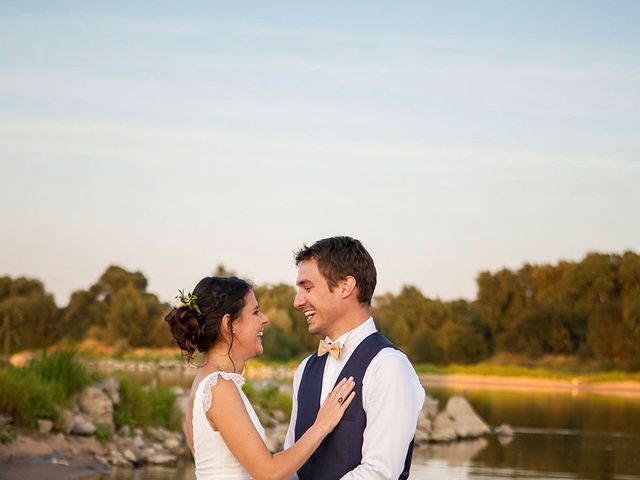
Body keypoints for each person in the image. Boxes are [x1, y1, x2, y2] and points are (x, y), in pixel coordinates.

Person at [165, 276, 356, 480]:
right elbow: (269, 472)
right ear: (228, 324)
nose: (265, 319)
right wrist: (322, 425)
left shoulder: (204, 382)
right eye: (255, 312)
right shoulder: (218, 387)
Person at [284, 236, 425, 479]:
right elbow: (292, 463)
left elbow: (380, 473)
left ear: (345, 286)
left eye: (307, 288)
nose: (298, 301)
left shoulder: (388, 366)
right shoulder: (306, 368)